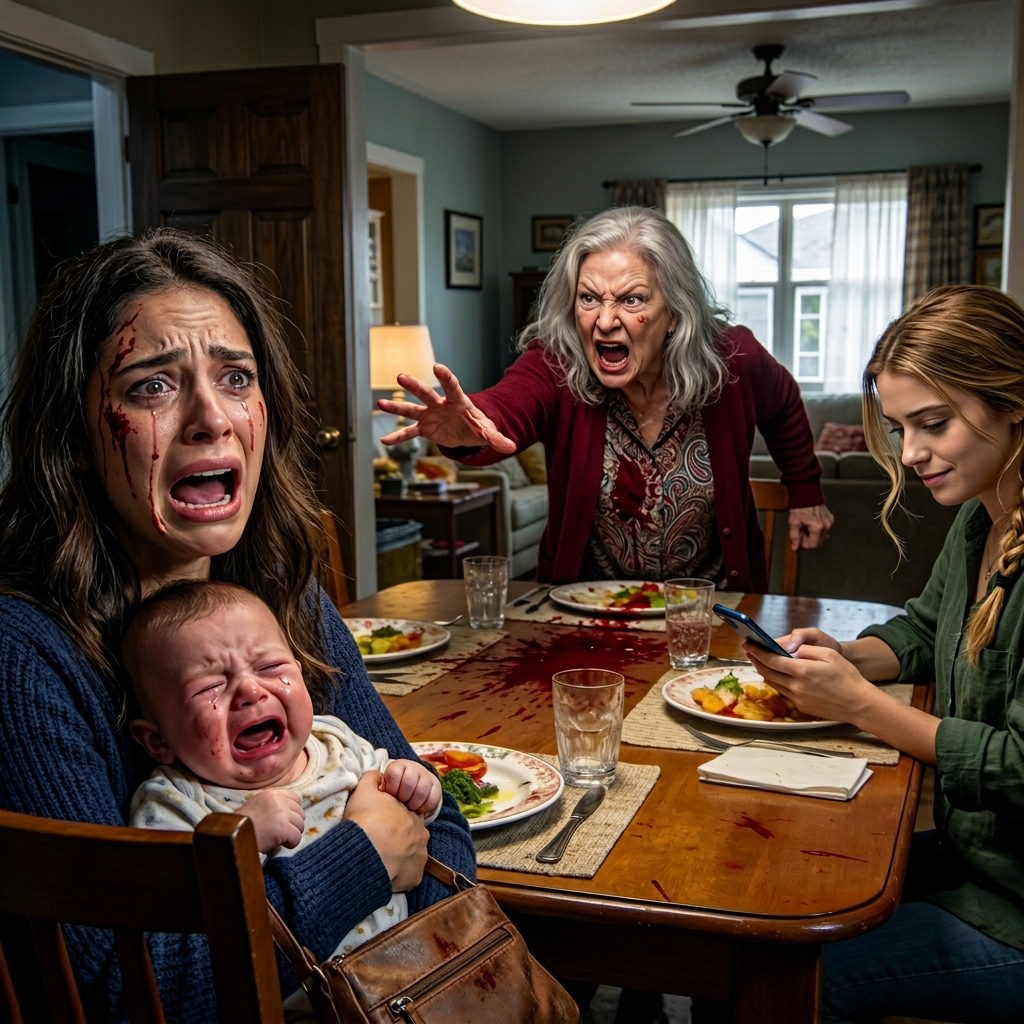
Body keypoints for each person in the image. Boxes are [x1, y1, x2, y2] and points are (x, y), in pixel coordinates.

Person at [0, 230, 475, 1021]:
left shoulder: (280, 595)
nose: (210, 418)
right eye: (152, 386)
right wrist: (362, 862)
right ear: (75, 435)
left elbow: (441, 828)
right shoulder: (25, 655)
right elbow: (123, 992)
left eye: (236, 377)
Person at [744, 286, 1024, 1023]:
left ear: (1012, 403)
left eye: (933, 424)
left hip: (1014, 904)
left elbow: (1018, 767)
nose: (911, 454)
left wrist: (858, 706)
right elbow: (927, 630)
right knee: (778, 905)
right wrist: (846, 656)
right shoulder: (980, 517)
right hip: (977, 860)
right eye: (900, 427)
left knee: (793, 986)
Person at [380, 206, 833, 589]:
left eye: (632, 300)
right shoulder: (557, 363)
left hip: (710, 608)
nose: (605, 321)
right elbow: (511, 401)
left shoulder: (734, 360)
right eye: (589, 298)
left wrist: (805, 488)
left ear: (674, 312)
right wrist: (472, 426)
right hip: (588, 610)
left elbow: (785, 404)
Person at [125, 579, 442, 1014]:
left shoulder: (336, 742)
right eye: (208, 688)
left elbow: (418, 819)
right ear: (157, 740)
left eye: (271, 667)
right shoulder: (174, 802)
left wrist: (415, 783)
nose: (252, 690)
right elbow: (172, 913)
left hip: (411, 989)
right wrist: (238, 840)